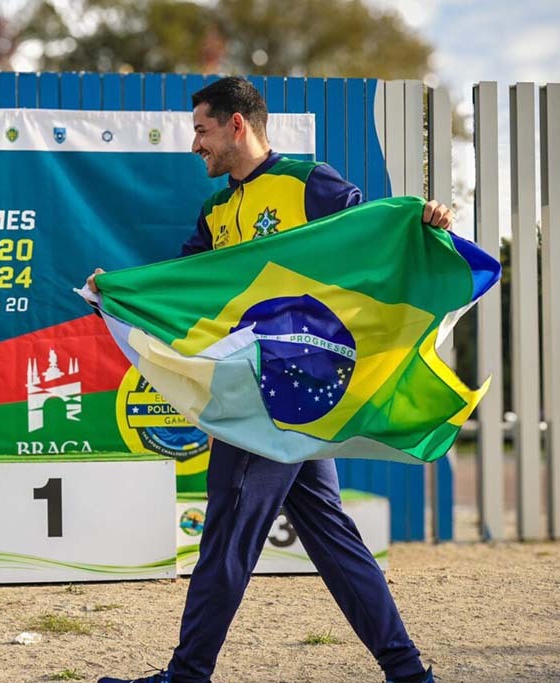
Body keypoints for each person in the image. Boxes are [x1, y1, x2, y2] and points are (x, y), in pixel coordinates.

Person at [87, 76, 452, 683]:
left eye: (201, 129)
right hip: (264, 390)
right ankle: (407, 672)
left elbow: (371, 237)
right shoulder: (215, 212)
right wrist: (117, 295)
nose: (194, 144)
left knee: (227, 531)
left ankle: (188, 675)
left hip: (285, 392)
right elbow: (183, 291)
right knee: (330, 535)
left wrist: (424, 223)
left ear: (237, 124)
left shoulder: (307, 182)